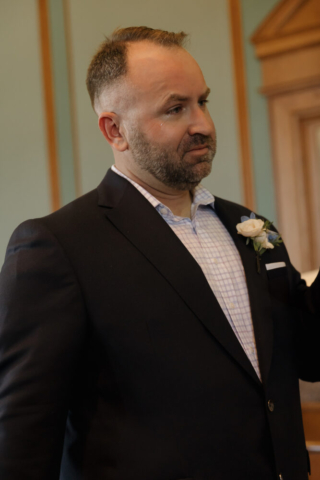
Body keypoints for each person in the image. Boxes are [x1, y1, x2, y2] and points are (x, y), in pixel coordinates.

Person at [0, 26, 319, 480]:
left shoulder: (251, 226)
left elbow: (309, 357)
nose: (203, 125)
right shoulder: (57, 248)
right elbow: (24, 437)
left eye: (202, 102)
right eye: (175, 108)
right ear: (115, 129)